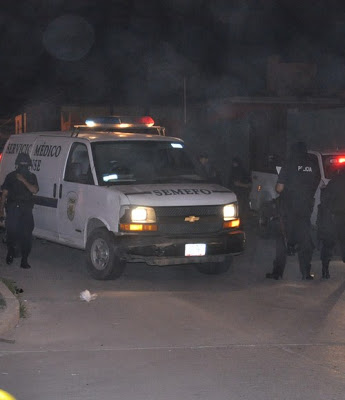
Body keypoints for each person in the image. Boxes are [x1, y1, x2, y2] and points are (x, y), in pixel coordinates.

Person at [265, 141, 320, 280]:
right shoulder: (313, 165)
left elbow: (279, 188)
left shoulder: (289, 163)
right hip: (305, 208)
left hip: (288, 209)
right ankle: (306, 273)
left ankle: (277, 273)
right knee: (305, 240)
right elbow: (316, 183)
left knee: (282, 240)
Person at [0, 152, 39, 269]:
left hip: (26, 210)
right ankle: (10, 253)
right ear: (17, 165)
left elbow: (34, 190)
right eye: (21, 165)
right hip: (13, 209)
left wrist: (23, 180)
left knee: (27, 236)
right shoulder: (11, 176)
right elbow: (4, 194)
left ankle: (24, 260)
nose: (23, 168)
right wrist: (1, 210)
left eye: (25, 165)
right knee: (11, 233)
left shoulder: (32, 177)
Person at [317, 162, 345, 279]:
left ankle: (325, 269)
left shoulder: (334, 182)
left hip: (334, 217)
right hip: (339, 217)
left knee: (328, 244)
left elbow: (325, 200)